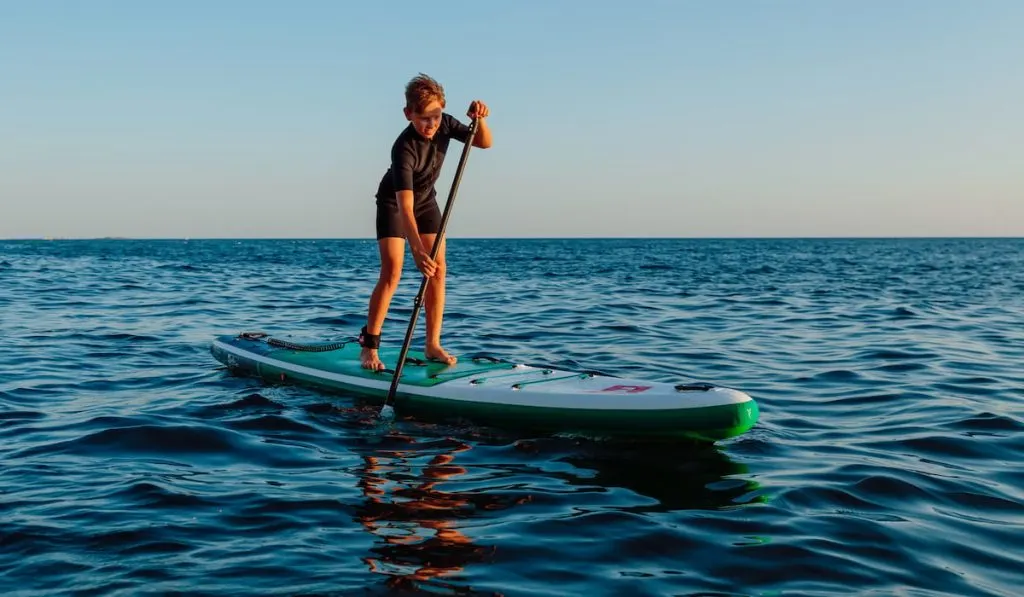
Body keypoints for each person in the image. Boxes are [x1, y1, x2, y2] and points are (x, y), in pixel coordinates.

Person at [358, 73, 492, 371]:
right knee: (392, 272)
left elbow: (484, 143)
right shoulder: (403, 148)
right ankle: (369, 347)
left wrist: (480, 119)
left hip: (427, 201)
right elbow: (405, 207)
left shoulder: (445, 123)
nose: (431, 124)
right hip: (395, 204)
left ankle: (432, 344)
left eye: (435, 116)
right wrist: (417, 250)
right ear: (408, 114)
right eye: (423, 119)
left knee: (438, 270)